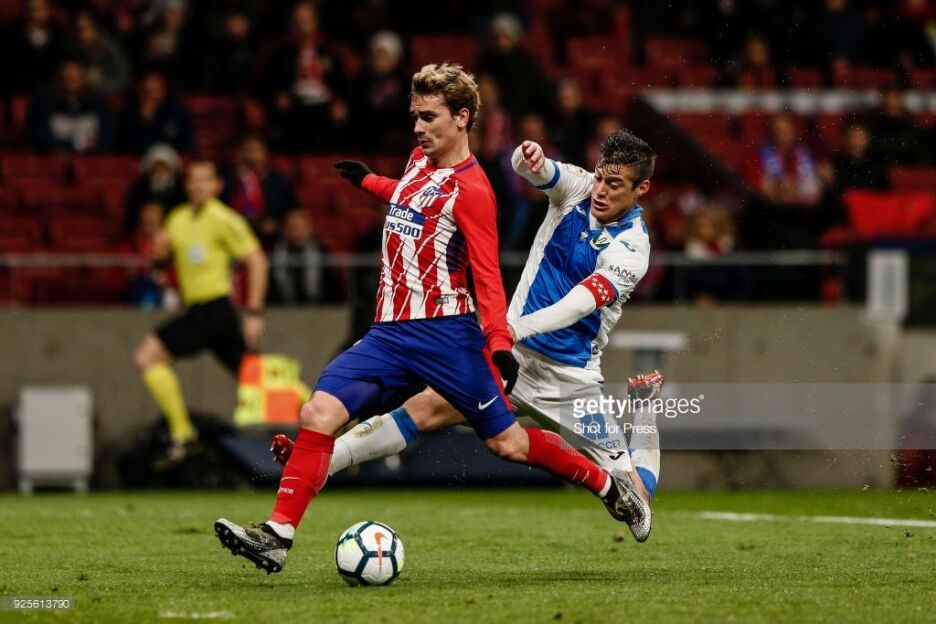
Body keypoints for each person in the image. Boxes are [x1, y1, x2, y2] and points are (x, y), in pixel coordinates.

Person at [214, 64, 649, 574]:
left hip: (454, 339)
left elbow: (489, 276)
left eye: (428, 117)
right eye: (415, 116)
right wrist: (369, 181)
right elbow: (410, 197)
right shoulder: (418, 162)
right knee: (318, 413)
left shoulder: (476, 191)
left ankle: (607, 485)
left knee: (507, 443)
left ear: (462, 118)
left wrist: (500, 341)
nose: (418, 128)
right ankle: (277, 536)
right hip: (388, 334)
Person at [274, 130, 664, 518]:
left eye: (614, 184)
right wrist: (528, 156)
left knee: (636, 504)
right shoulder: (578, 187)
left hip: (570, 378)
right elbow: (532, 170)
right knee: (425, 408)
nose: (600, 190)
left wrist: (516, 328)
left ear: (641, 189)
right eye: (600, 177)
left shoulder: (633, 248)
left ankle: (645, 409)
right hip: (512, 356)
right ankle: (322, 462)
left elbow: (578, 303)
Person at [133, 159, 268, 467]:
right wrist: (158, 256)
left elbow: (257, 260)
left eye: (204, 179)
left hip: (214, 308)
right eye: (192, 179)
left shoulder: (225, 219)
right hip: (204, 312)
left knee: (147, 357)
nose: (197, 185)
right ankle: (328, 413)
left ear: (217, 185)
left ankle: (183, 434)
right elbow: (160, 261)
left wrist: (254, 313)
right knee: (257, 380)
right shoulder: (177, 219)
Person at [221, 134, 298, 247]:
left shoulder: (278, 181)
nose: (251, 155)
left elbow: (291, 209)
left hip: (272, 238)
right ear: (239, 153)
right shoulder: (227, 179)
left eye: (256, 150)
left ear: (265, 153)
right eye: (248, 150)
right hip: (233, 234)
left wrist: (278, 224)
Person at [26, 59, 114, 153]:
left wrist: (94, 146)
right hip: (53, 157)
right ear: (59, 80)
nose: (71, 86)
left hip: (92, 157)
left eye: (76, 80)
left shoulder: (98, 103)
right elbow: (38, 135)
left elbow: (107, 135)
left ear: (85, 81)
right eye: (67, 79)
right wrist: (76, 145)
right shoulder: (44, 102)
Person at [267, 208, 335, 305]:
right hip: (281, 307)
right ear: (284, 230)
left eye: (299, 227)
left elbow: (330, 286)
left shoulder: (322, 253)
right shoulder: (274, 253)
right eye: (292, 227)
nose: (296, 231)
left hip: (318, 307)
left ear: (310, 229)